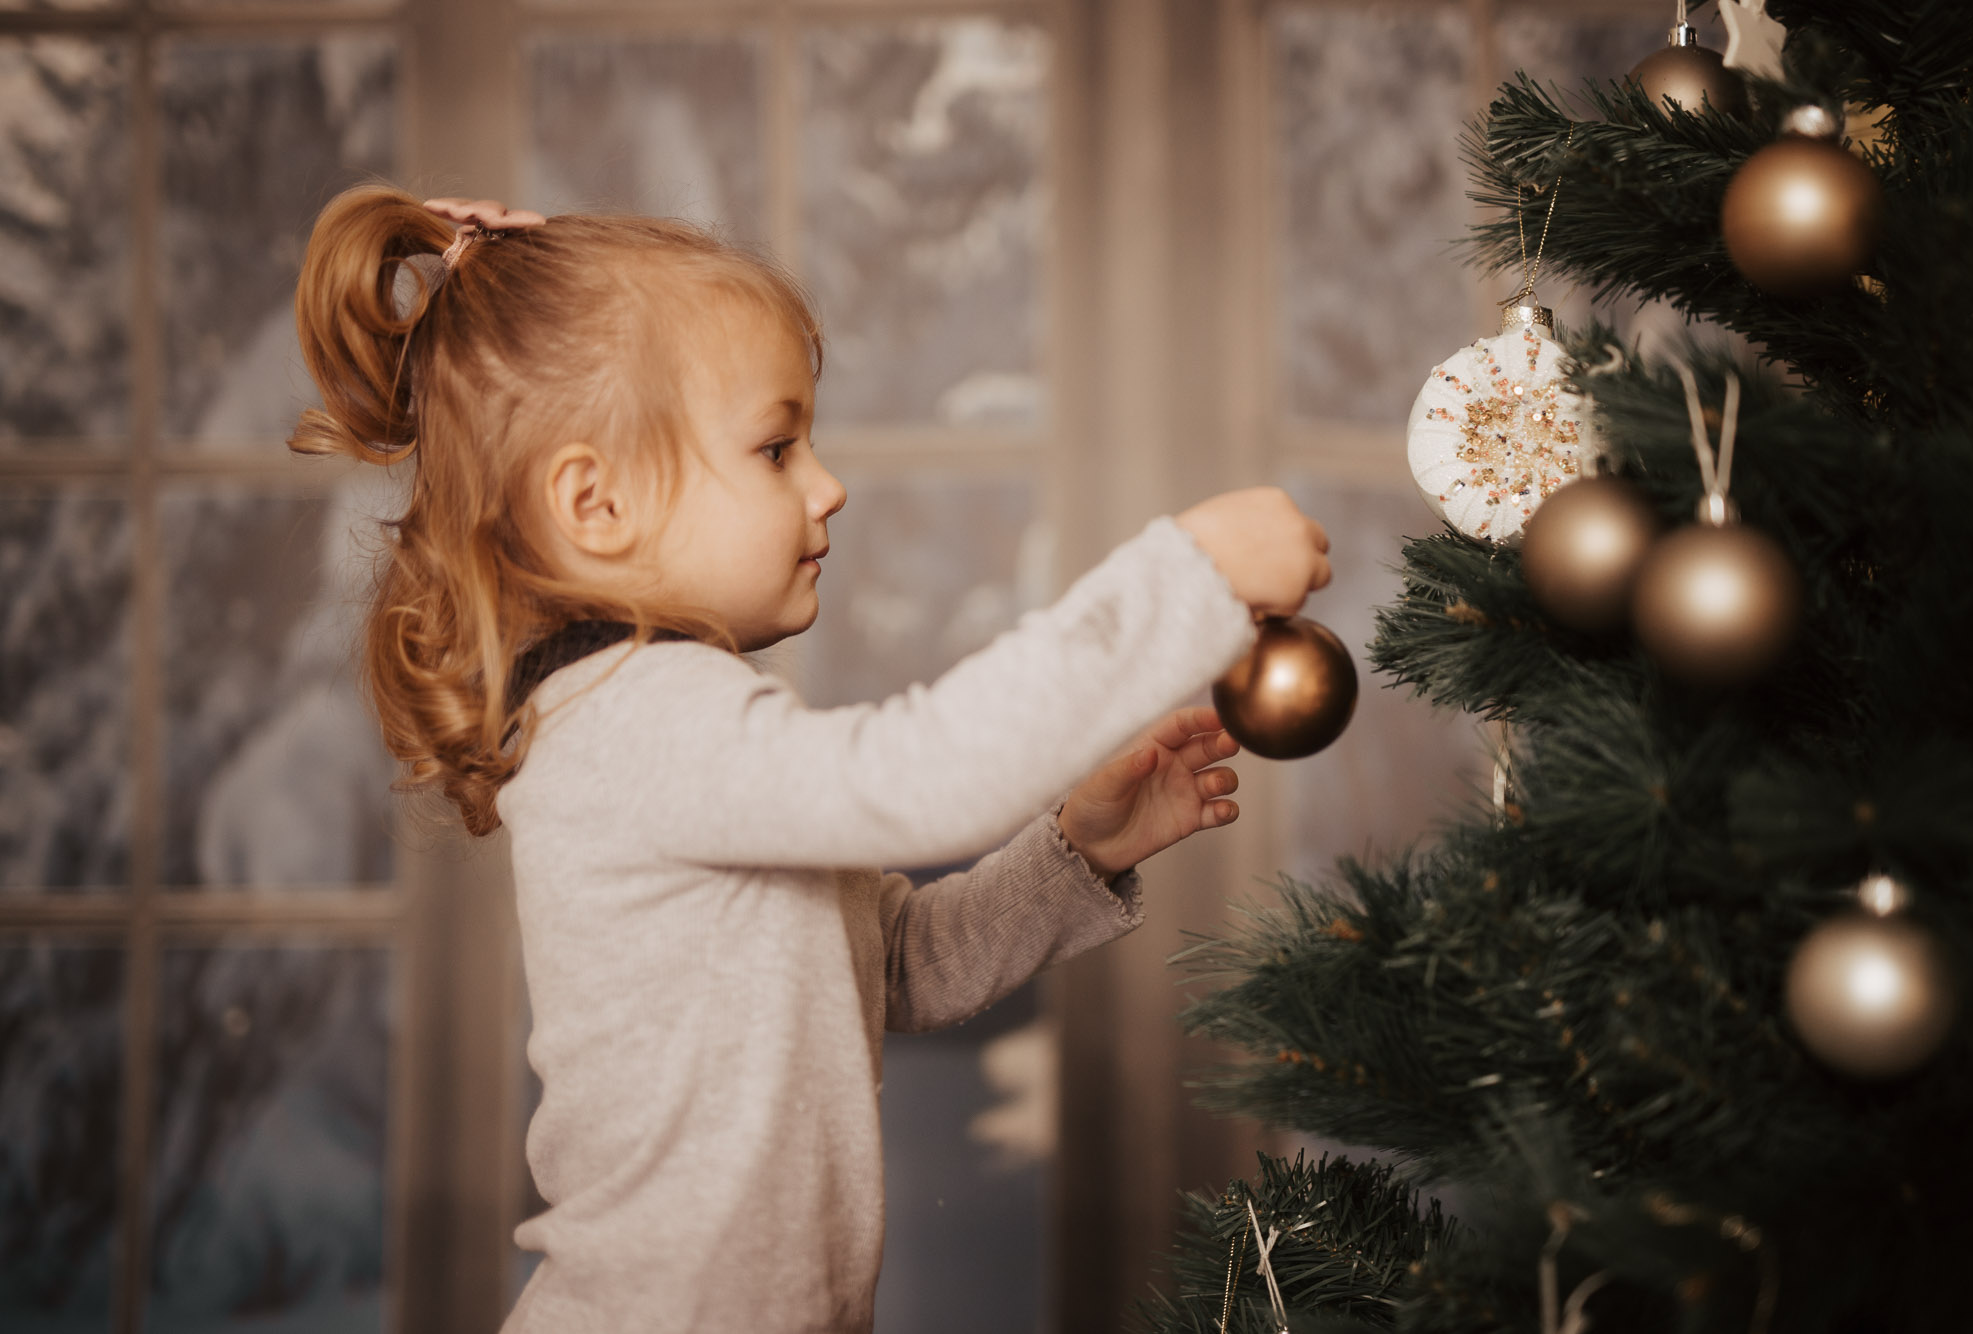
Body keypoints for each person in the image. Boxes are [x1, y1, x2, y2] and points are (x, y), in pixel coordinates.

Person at [288, 185, 1331, 1332]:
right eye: (776, 447)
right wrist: (1184, 579)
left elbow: (890, 969)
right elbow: (918, 776)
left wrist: (1071, 856)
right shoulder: (636, 719)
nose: (825, 485)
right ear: (596, 502)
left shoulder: (672, 712)